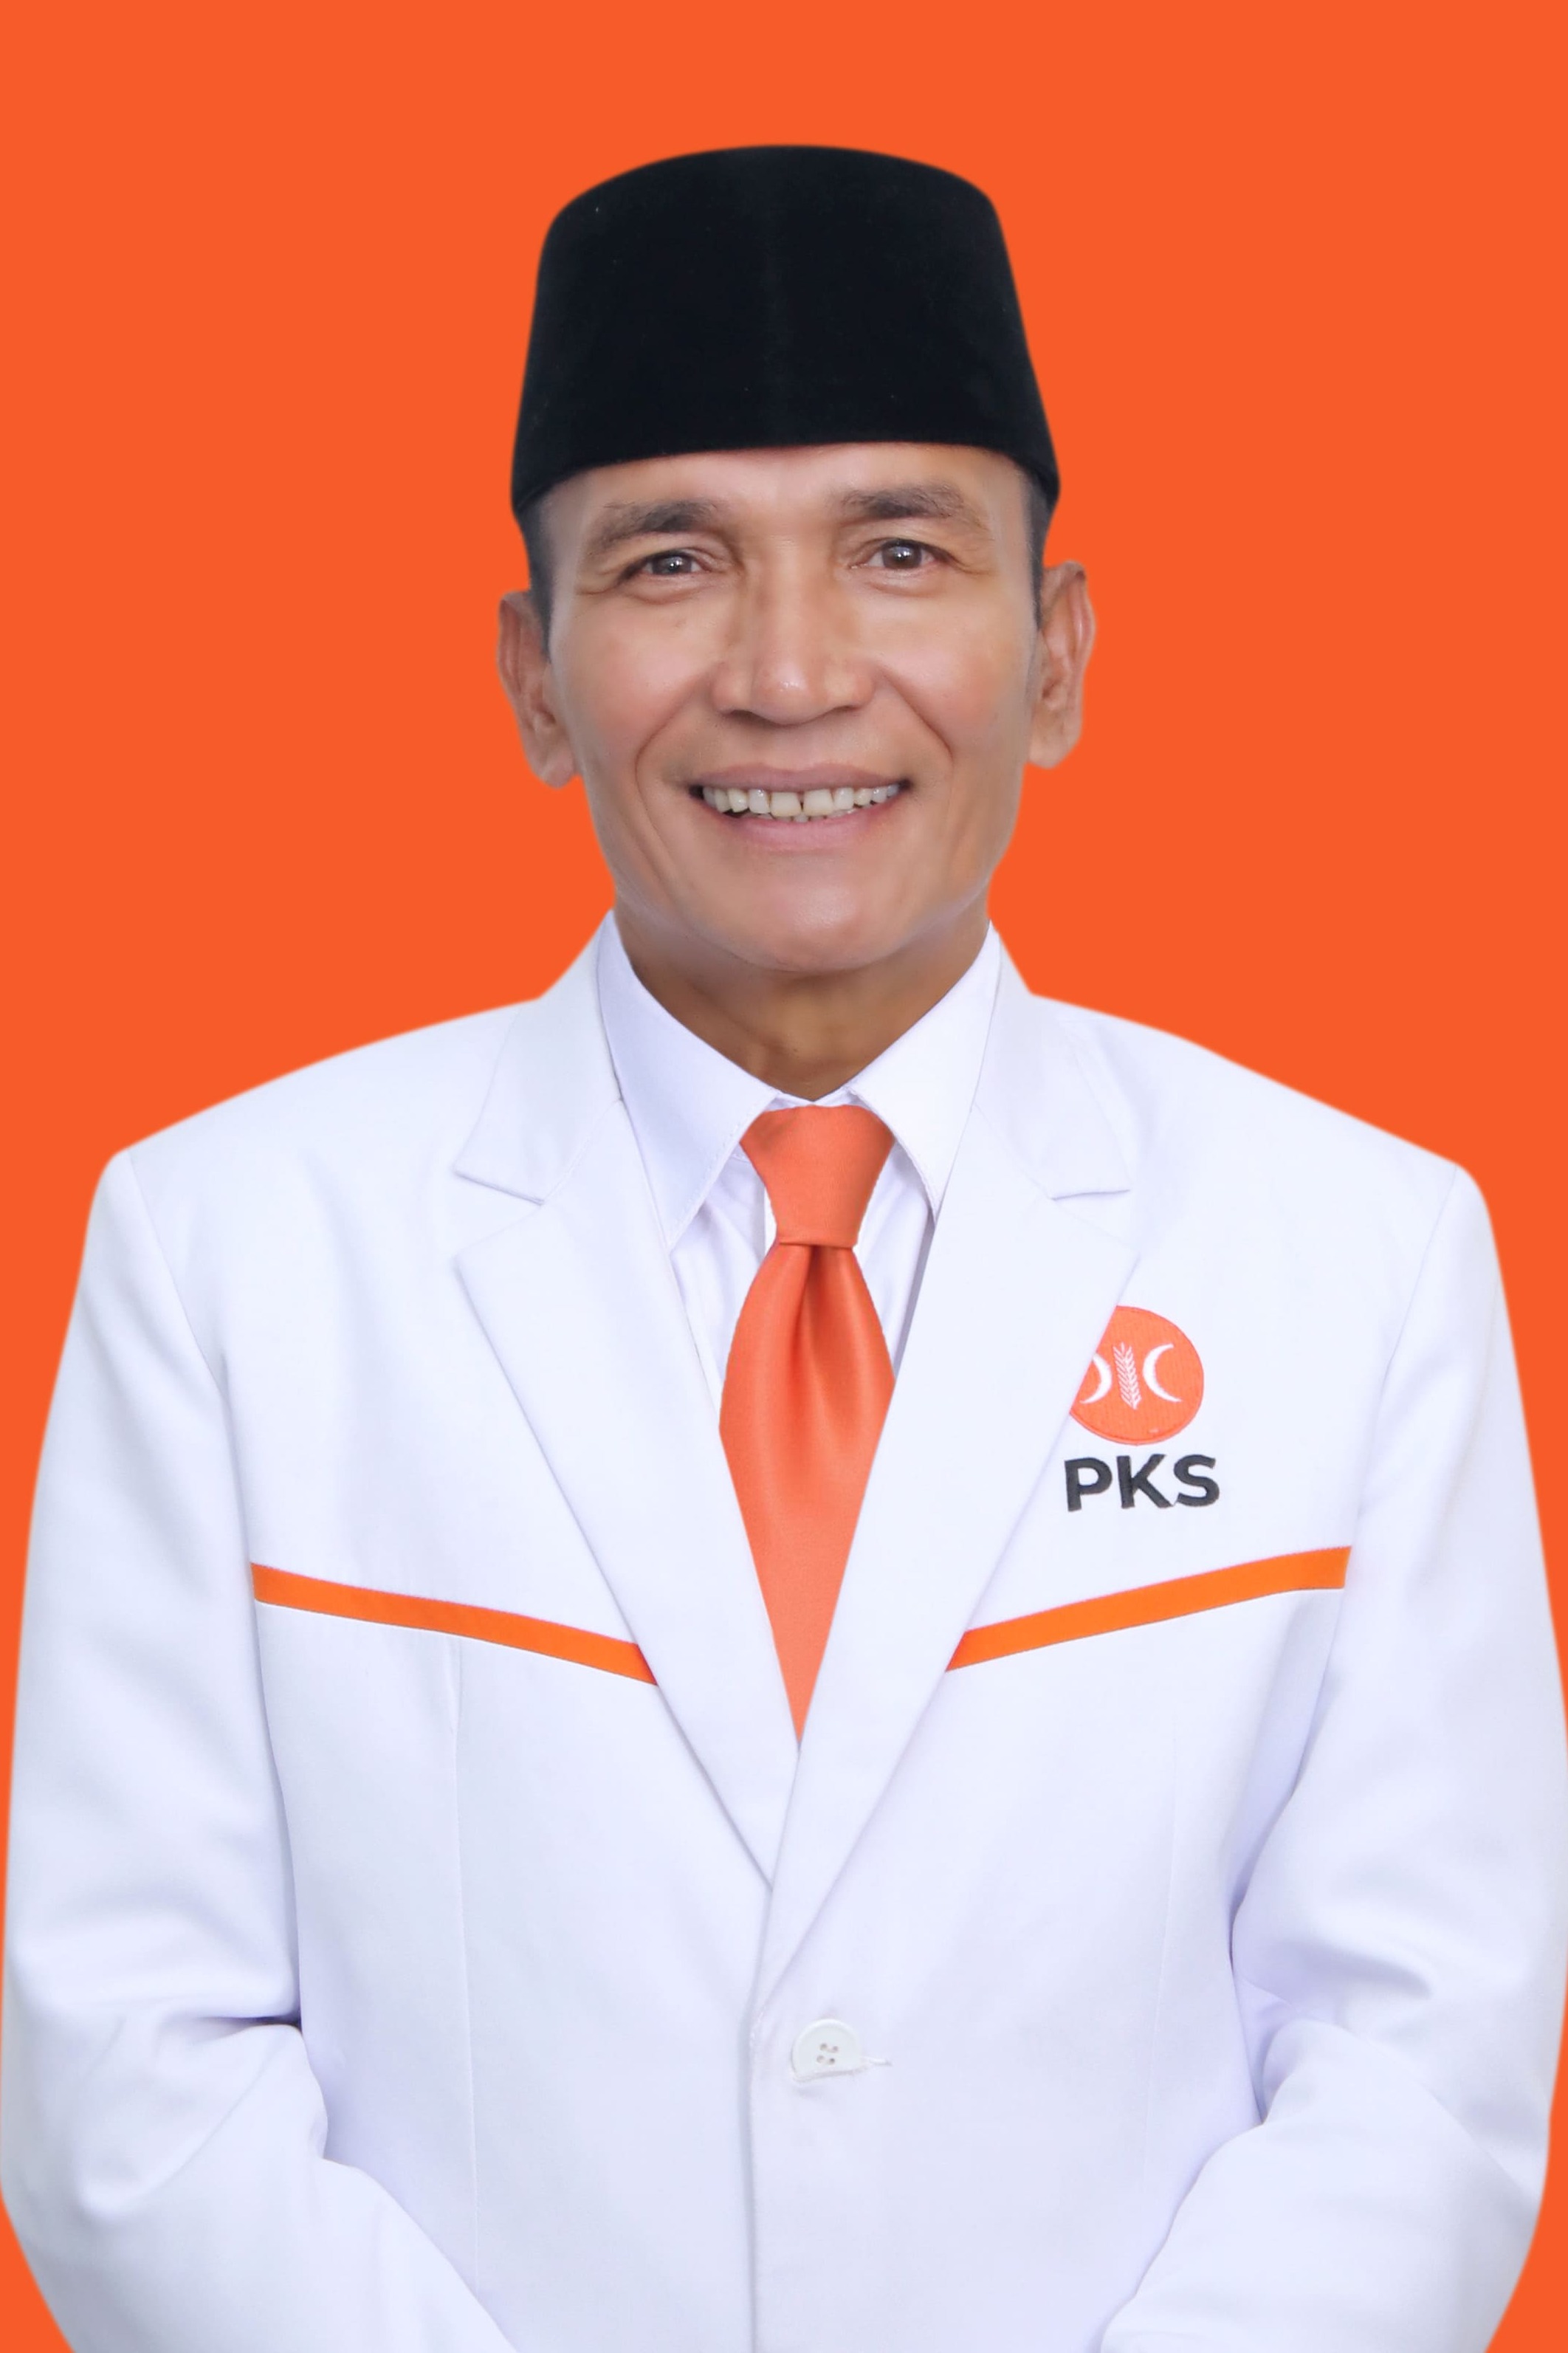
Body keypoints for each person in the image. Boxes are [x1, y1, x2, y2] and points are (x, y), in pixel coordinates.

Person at [2, 143, 1564, 2353]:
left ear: (1058, 656)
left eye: (901, 551)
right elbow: (128, 2070)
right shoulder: (227, 1253)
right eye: (671, 563)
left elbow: (1420, 2048)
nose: (793, 670)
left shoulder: (1358, 1254)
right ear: (534, 680)